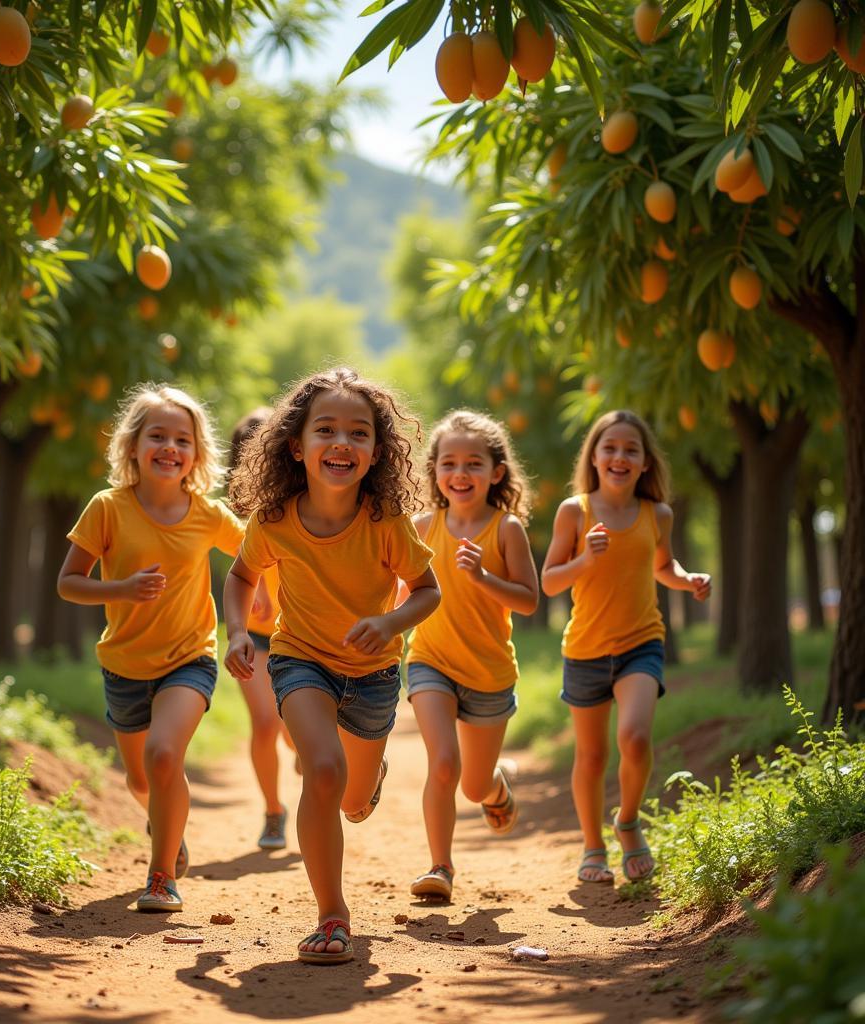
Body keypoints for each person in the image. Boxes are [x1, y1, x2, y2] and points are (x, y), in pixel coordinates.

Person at [223, 367, 440, 965]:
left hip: (372, 673)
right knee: (321, 770)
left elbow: (427, 590)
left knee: (351, 798)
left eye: (358, 433)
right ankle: (331, 915)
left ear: (376, 452)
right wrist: (239, 631)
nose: (341, 443)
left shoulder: (385, 520)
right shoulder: (274, 520)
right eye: (326, 430)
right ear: (297, 445)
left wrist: (391, 623)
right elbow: (241, 576)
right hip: (300, 660)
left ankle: (367, 781)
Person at [57, 383, 244, 912]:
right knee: (141, 777)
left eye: (182, 439)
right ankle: (168, 824)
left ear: (196, 454)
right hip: (124, 663)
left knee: (165, 755)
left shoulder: (207, 513)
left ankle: (162, 876)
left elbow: (259, 553)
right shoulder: (107, 508)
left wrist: (263, 599)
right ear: (133, 446)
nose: (170, 447)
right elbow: (68, 583)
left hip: (190, 657)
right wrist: (120, 588)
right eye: (157, 436)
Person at [541, 410, 711, 885]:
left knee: (634, 738)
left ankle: (628, 822)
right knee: (591, 757)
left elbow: (662, 566)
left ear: (644, 463)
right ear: (594, 458)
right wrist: (584, 558)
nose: (619, 456)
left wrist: (687, 580)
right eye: (609, 448)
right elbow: (550, 582)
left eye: (630, 450)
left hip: (641, 642)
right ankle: (592, 846)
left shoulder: (658, 513)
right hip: (585, 648)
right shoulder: (574, 511)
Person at [404, 410, 539, 903]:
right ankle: (440, 865)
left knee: (473, 784)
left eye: (473, 464)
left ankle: (496, 787)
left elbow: (528, 599)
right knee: (443, 764)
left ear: (496, 472)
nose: (460, 474)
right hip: (430, 661)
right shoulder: (421, 526)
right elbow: (402, 594)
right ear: (435, 471)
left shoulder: (506, 530)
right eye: (449, 463)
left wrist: (483, 578)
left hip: (489, 674)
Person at [228, 408, 298, 851]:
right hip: (254, 637)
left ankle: (307, 756)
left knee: (294, 730)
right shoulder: (238, 515)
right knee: (265, 723)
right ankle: (273, 811)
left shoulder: (303, 506)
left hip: (300, 637)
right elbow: (237, 569)